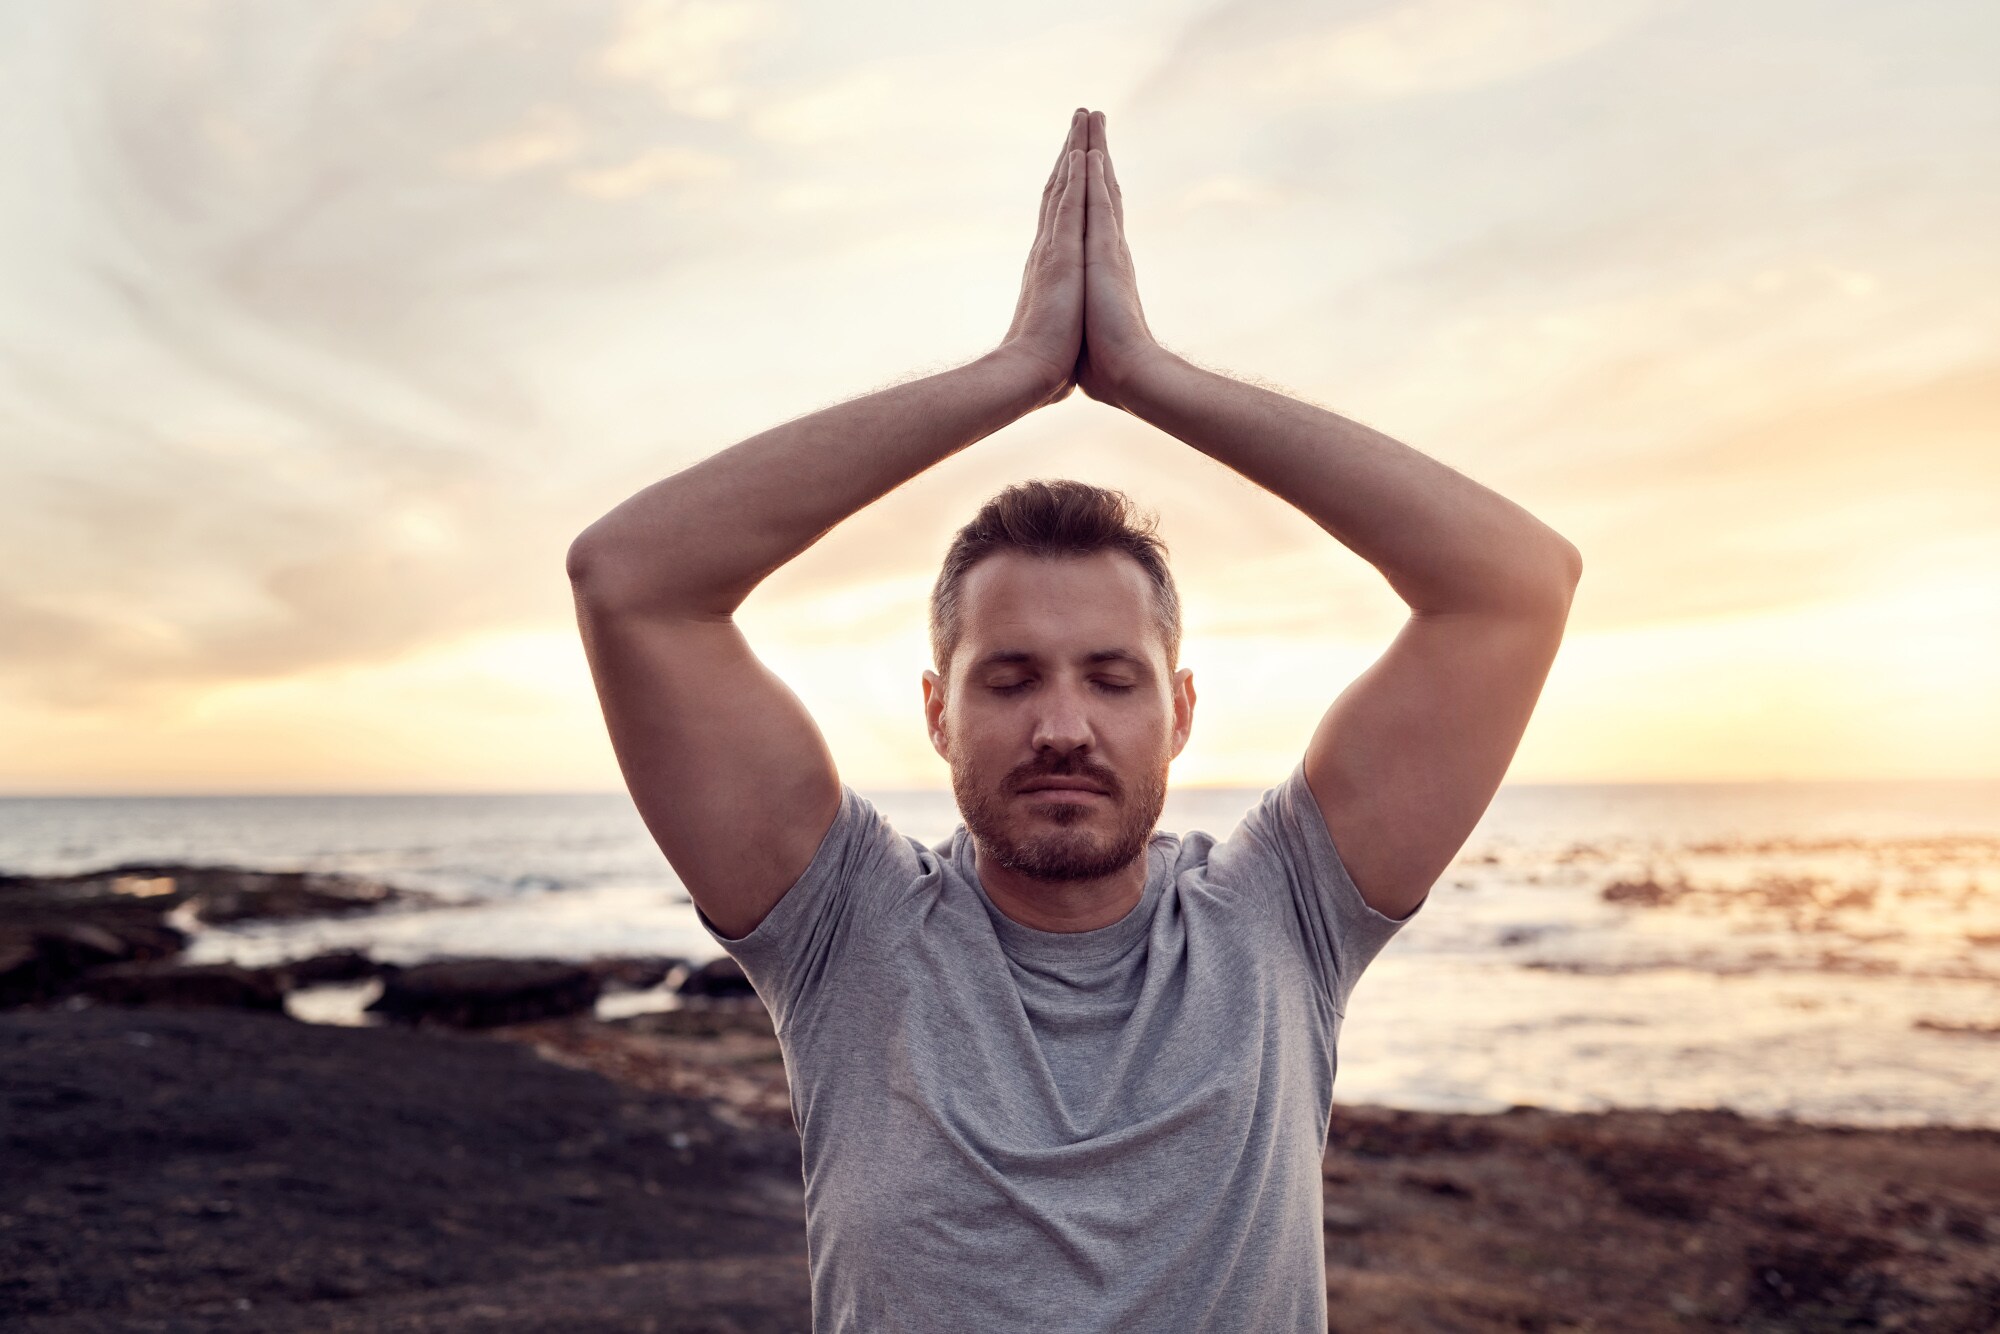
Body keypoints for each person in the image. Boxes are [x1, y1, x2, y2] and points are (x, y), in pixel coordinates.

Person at [567, 107, 1580, 1334]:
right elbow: (630, 581)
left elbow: (1514, 588)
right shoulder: (845, 929)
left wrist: (1151, 376)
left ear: (1180, 708)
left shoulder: (1279, 917)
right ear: (937, 712)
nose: (1061, 725)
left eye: (1110, 676)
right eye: (1008, 678)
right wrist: (1013, 374)